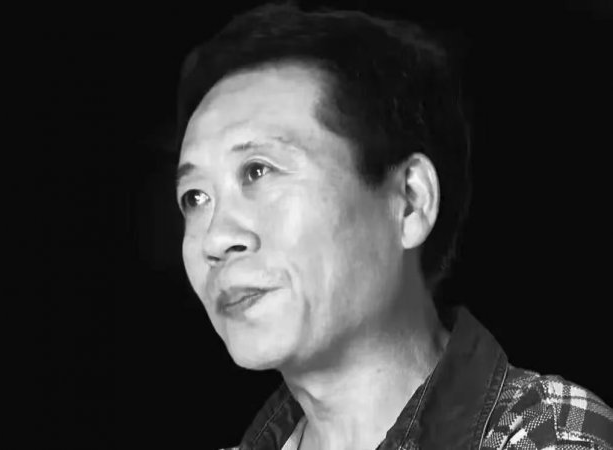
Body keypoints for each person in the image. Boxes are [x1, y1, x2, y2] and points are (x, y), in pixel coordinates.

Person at [172, 3, 613, 449]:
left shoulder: (550, 434)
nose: (216, 239)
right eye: (195, 197)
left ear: (409, 202)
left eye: (258, 170)